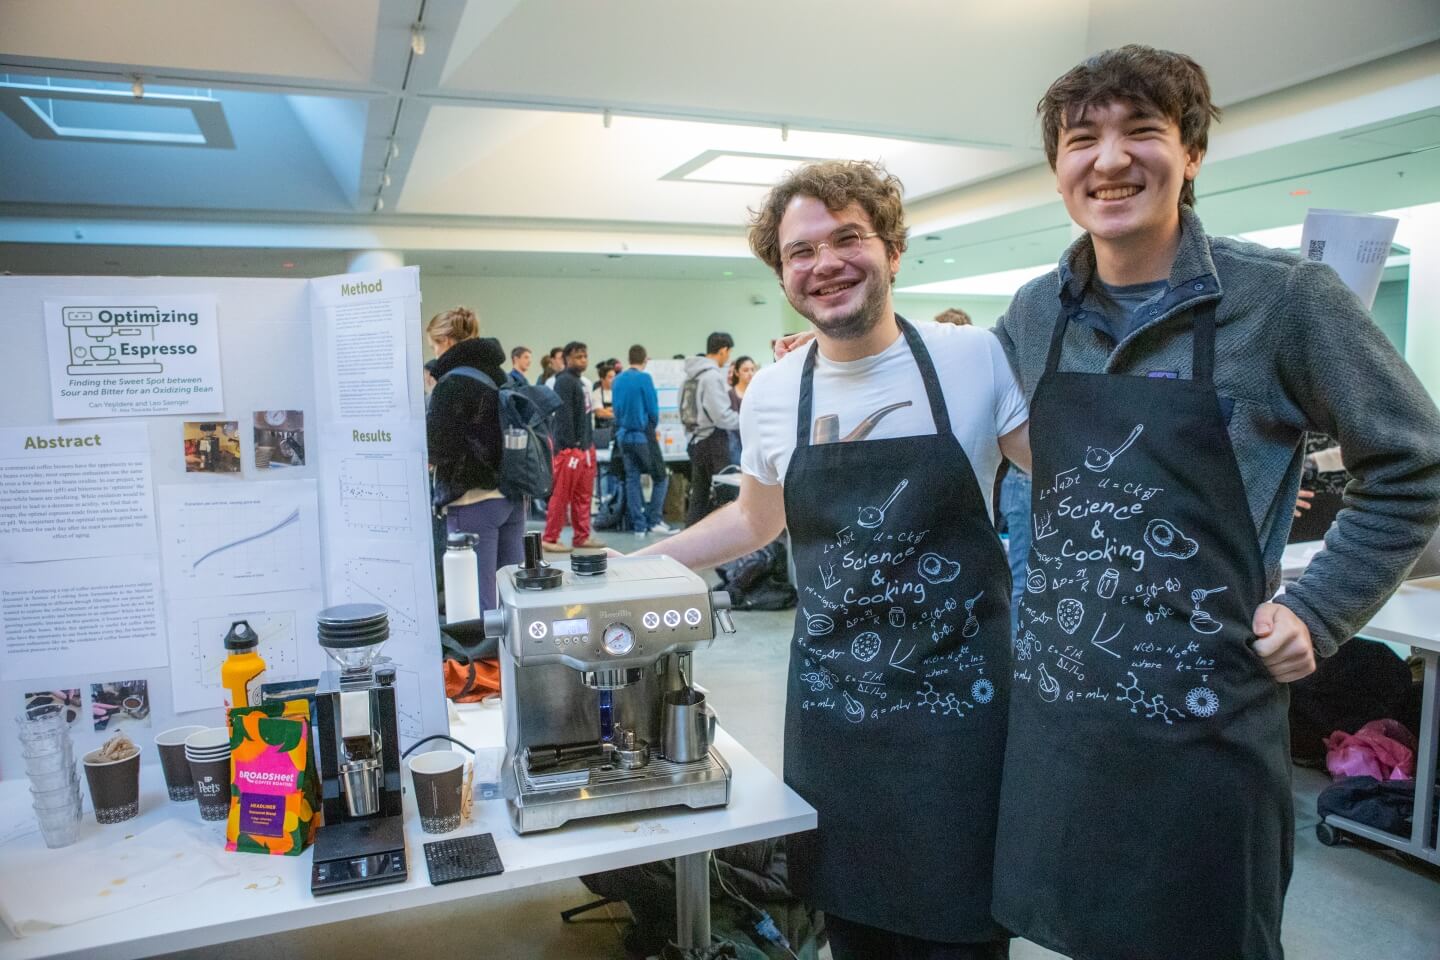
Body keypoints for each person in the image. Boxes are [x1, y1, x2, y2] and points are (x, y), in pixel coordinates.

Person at [989, 46, 1440, 960]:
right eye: (1083, 140)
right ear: (1058, 170)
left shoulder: (1283, 303)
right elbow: (1012, 463)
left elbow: (1415, 463)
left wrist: (1321, 608)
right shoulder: (1035, 315)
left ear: (1190, 154)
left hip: (1208, 719)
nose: (1109, 160)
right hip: (1064, 715)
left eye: (1142, 132)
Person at [637, 160, 1030, 959]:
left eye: (848, 237)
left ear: (892, 248)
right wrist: (640, 563)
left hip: (964, 707)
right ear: (782, 273)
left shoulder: (972, 357)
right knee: (848, 926)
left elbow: (1062, 480)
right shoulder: (775, 391)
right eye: (800, 251)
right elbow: (755, 518)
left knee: (961, 931)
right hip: (835, 709)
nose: (825, 264)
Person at [425, 309, 526, 614]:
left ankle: (481, 662)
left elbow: (438, 446)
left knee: (476, 603)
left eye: (433, 346)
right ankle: (509, 661)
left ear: (444, 340)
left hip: (472, 499)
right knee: (511, 597)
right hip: (512, 495)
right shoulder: (502, 377)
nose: (435, 352)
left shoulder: (452, 383)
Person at [542, 341, 603, 552]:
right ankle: (550, 538)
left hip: (585, 448)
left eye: (585, 356)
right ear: (567, 359)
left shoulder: (580, 382)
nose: (583, 360)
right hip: (570, 450)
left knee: (583, 496)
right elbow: (564, 418)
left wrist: (586, 445)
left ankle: (582, 536)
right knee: (561, 495)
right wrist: (571, 446)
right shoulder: (564, 382)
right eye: (578, 356)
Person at [612, 344, 673, 536]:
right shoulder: (645, 378)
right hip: (642, 435)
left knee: (632, 478)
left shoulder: (618, 379)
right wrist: (650, 426)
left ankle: (638, 524)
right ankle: (654, 519)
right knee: (660, 477)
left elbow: (615, 408)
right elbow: (653, 409)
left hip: (623, 435)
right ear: (645, 360)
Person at [682, 332, 741, 527]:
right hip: (713, 444)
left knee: (699, 496)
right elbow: (721, 416)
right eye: (729, 352)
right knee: (725, 495)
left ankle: (690, 542)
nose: (729, 357)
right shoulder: (712, 377)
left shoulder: (689, 377)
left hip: (695, 440)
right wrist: (746, 421)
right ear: (723, 350)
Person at [726, 355, 756, 464]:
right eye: (745, 370)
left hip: (753, 442)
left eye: (752, 369)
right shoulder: (729, 395)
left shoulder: (756, 393)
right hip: (735, 444)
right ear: (737, 372)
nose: (750, 373)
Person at [592, 359, 618, 427]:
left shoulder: (618, 392)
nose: (613, 380)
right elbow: (600, 413)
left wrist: (607, 410)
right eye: (610, 377)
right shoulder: (596, 394)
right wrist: (617, 413)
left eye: (614, 377)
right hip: (602, 431)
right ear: (602, 379)